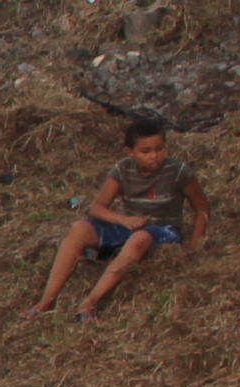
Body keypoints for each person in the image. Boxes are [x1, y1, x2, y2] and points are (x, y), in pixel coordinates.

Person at [29, 115, 210, 320]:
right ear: (131, 152)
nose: (155, 156)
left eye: (160, 149)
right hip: (129, 228)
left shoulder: (178, 171)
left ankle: (90, 303)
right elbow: (96, 208)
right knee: (79, 228)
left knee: (140, 237)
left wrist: (194, 247)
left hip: (164, 231)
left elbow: (202, 209)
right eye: (146, 151)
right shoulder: (123, 169)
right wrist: (123, 220)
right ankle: (47, 300)